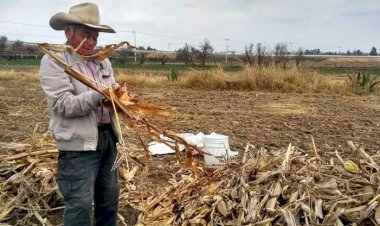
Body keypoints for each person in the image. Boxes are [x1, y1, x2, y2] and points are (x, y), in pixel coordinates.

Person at [39, 2, 123, 225]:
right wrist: (99, 96)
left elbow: (109, 97)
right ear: (68, 31)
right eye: (87, 35)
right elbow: (62, 104)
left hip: (108, 140)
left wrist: (120, 99)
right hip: (79, 147)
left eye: (95, 36)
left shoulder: (102, 61)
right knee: (81, 206)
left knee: (109, 201)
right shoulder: (54, 61)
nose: (92, 42)